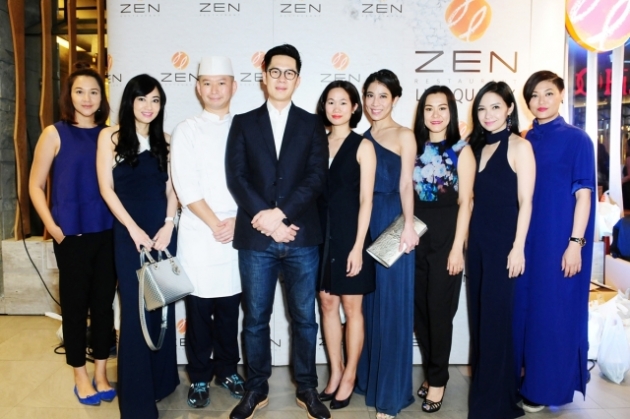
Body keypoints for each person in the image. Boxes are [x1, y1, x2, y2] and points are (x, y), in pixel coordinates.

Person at [225, 44, 331, 419]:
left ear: (298, 80)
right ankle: (256, 388)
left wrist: (280, 216)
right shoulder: (243, 122)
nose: (281, 78)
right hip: (256, 240)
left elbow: (316, 176)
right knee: (255, 320)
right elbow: (236, 177)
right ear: (264, 76)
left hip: (301, 236)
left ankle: (307, 387)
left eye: (289, 73)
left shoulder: (312, 124)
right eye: (275, 71)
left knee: (305, 319)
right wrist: (265, 218)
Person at [29, 63, 116, 406]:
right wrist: (53, 228)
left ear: (102, 98)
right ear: (69, 96)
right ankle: (80, 375)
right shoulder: (54, 133)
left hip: (108, 233)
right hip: (71, 235)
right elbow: (35, 186)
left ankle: (101, 372)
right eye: (80, 91)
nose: (87, 98)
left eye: (94, 92)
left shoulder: (111, 135)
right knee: (76, 308)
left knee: (105, 308)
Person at [96, 74, 179, 419]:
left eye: (155, 100)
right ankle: (137, 401)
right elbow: (106, 188)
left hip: (162, 234)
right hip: (129, 234)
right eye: (142, 98)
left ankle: (162, 383)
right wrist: (132, 229)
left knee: (161, 305)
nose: (148, 106)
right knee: (134, 311)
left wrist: (169, 225)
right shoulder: (110, 137)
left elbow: (173, 189)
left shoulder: (167, 141)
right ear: (130, 101)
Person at [513, 70, 595, 412]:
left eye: (548, 93)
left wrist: (575, 243)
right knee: (526, 312)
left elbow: (584, 196)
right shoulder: (523, 139)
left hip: (559, 240)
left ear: (562, 94)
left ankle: (545, 389)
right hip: (526, 240)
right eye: (534, 95)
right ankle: (524, 379)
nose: (541, 101)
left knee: (554, 315)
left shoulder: (577, 140)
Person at [170, 56, 244, 408]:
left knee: (231, 309)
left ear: (234, 86)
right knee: (198, 313)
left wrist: (238, 221)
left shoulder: (245, 128)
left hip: (238, 231)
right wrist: (216, 223)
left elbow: (258, 182)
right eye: (207, 83)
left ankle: (228, 369)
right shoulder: (187, 129)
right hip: (200, 232)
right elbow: (185, 185)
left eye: (222, 82)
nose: (215, 90)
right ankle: (199, 376)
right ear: (198, 88)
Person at [466, 81, 535, 419]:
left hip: (504, 245)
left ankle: (491, 405)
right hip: (477, 244)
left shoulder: (520, 146)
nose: (488, 114)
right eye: (482, 108)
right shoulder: (475, 147)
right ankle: (488, 392)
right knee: (480, 321)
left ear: (509, 108)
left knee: (496, 321)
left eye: (495, 107)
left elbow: (526, 202)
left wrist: (518, 247)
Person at [355, 69, 419, 419]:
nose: (375, 103)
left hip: (394, 223)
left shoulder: (404, 135)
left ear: (395, 99)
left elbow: (407, 183)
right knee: (370, 306)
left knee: (393, 308)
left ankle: (391, 395)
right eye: (370, 95)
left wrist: (408, 226)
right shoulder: (362, 137)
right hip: (366, 226)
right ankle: (370, 381)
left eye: (382, 96)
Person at [412, 85, 475, 412]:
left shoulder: (462, 150)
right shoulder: (413, 147)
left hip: (446, 241)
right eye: (429, 108)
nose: (435, 115)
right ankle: (430, 372)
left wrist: (457, 249)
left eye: (442, 108)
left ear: (451, 112)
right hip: (415, 239)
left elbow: (466, 203)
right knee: (420, 314)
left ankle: (438, 380)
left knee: (439, 314)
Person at [315, 81, 376, 410]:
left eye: (343, 102)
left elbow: (366, 200)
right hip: (320, 236)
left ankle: (350, 375)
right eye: (330, 101)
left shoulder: (362, 145)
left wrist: (357, 247)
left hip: (352, 236)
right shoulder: (316, 143)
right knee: (327, 304)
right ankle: (336, 371)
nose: (336, 108)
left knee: (352, 309)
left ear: (354, 107)